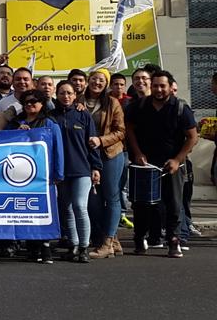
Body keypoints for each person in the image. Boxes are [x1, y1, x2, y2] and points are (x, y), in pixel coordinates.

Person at [125, 70, 198, 258]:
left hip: (172, 165)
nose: (158, 89)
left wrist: (177, 159)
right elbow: (130, 130)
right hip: (145, 165)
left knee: (173, 205)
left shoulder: (181, 107)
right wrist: (137, 153)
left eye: (162, 86)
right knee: (141, 204)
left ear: (169, 86)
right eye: (155, 85)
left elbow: (192, 137)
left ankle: (174, 240)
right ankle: (140, 238)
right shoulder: (139, 106)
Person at [5, 89, 63, 263]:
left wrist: (58, 173)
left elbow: (58, 150)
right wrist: (18, 133)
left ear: (42, 103)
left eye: (34, 102)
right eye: (27, 102)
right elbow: (5, 144)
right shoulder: (15, 123)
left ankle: (45, 247)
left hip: (44, 176)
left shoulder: (50, 124)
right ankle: (31, 248)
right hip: (20, 176)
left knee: (44, 210)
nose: (30, 105)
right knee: (25, 211)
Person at [52, 81, 102, 263]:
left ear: (75, 96)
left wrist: (96, 167)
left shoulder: (83, 115)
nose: (66, 96)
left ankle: (83, 247)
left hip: (82, 168)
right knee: (66, 209)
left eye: (69, 93)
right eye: (62, 93)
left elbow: (93, 142)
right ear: (56, 95)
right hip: (60, 171)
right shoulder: (51, 117)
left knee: (80, 206)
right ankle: (72, 245)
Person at [83, 70, 127, 259]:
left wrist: (102, 140)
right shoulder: (79, 101)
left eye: (101, 80)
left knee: (112, 196)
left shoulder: (112, 103)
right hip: (87, 156)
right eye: (94, 79)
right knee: (94, 200)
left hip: (110, 154)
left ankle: (108, 242)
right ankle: (111, 237)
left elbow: (121, 131)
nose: (97, 83)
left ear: (106, 83)